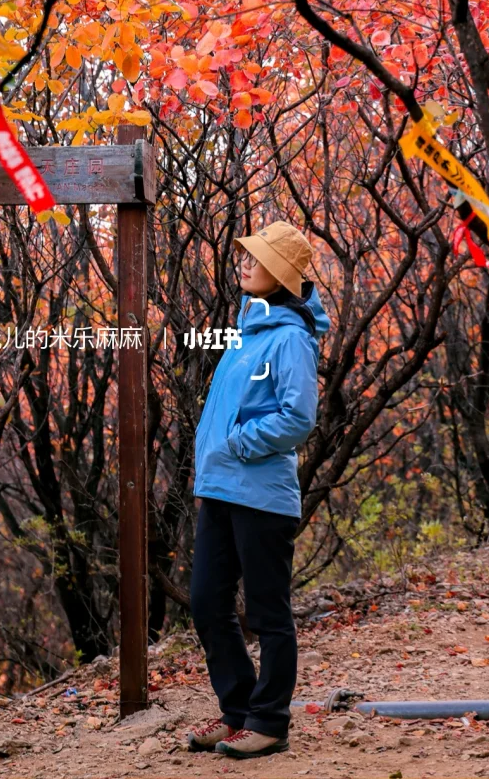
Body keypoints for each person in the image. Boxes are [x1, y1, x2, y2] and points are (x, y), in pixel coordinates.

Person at [183, 220, 330, 761]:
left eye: (257, 258)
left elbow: (298, 418)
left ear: (283, 276)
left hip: (262, 496)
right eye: (246, 255)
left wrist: (241, 443)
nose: (244, 263)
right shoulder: (248, 334)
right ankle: (239, 710)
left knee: (268, 613)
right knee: (205, 603)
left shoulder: (291, 338)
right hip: (221, 490)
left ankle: (269, 721)